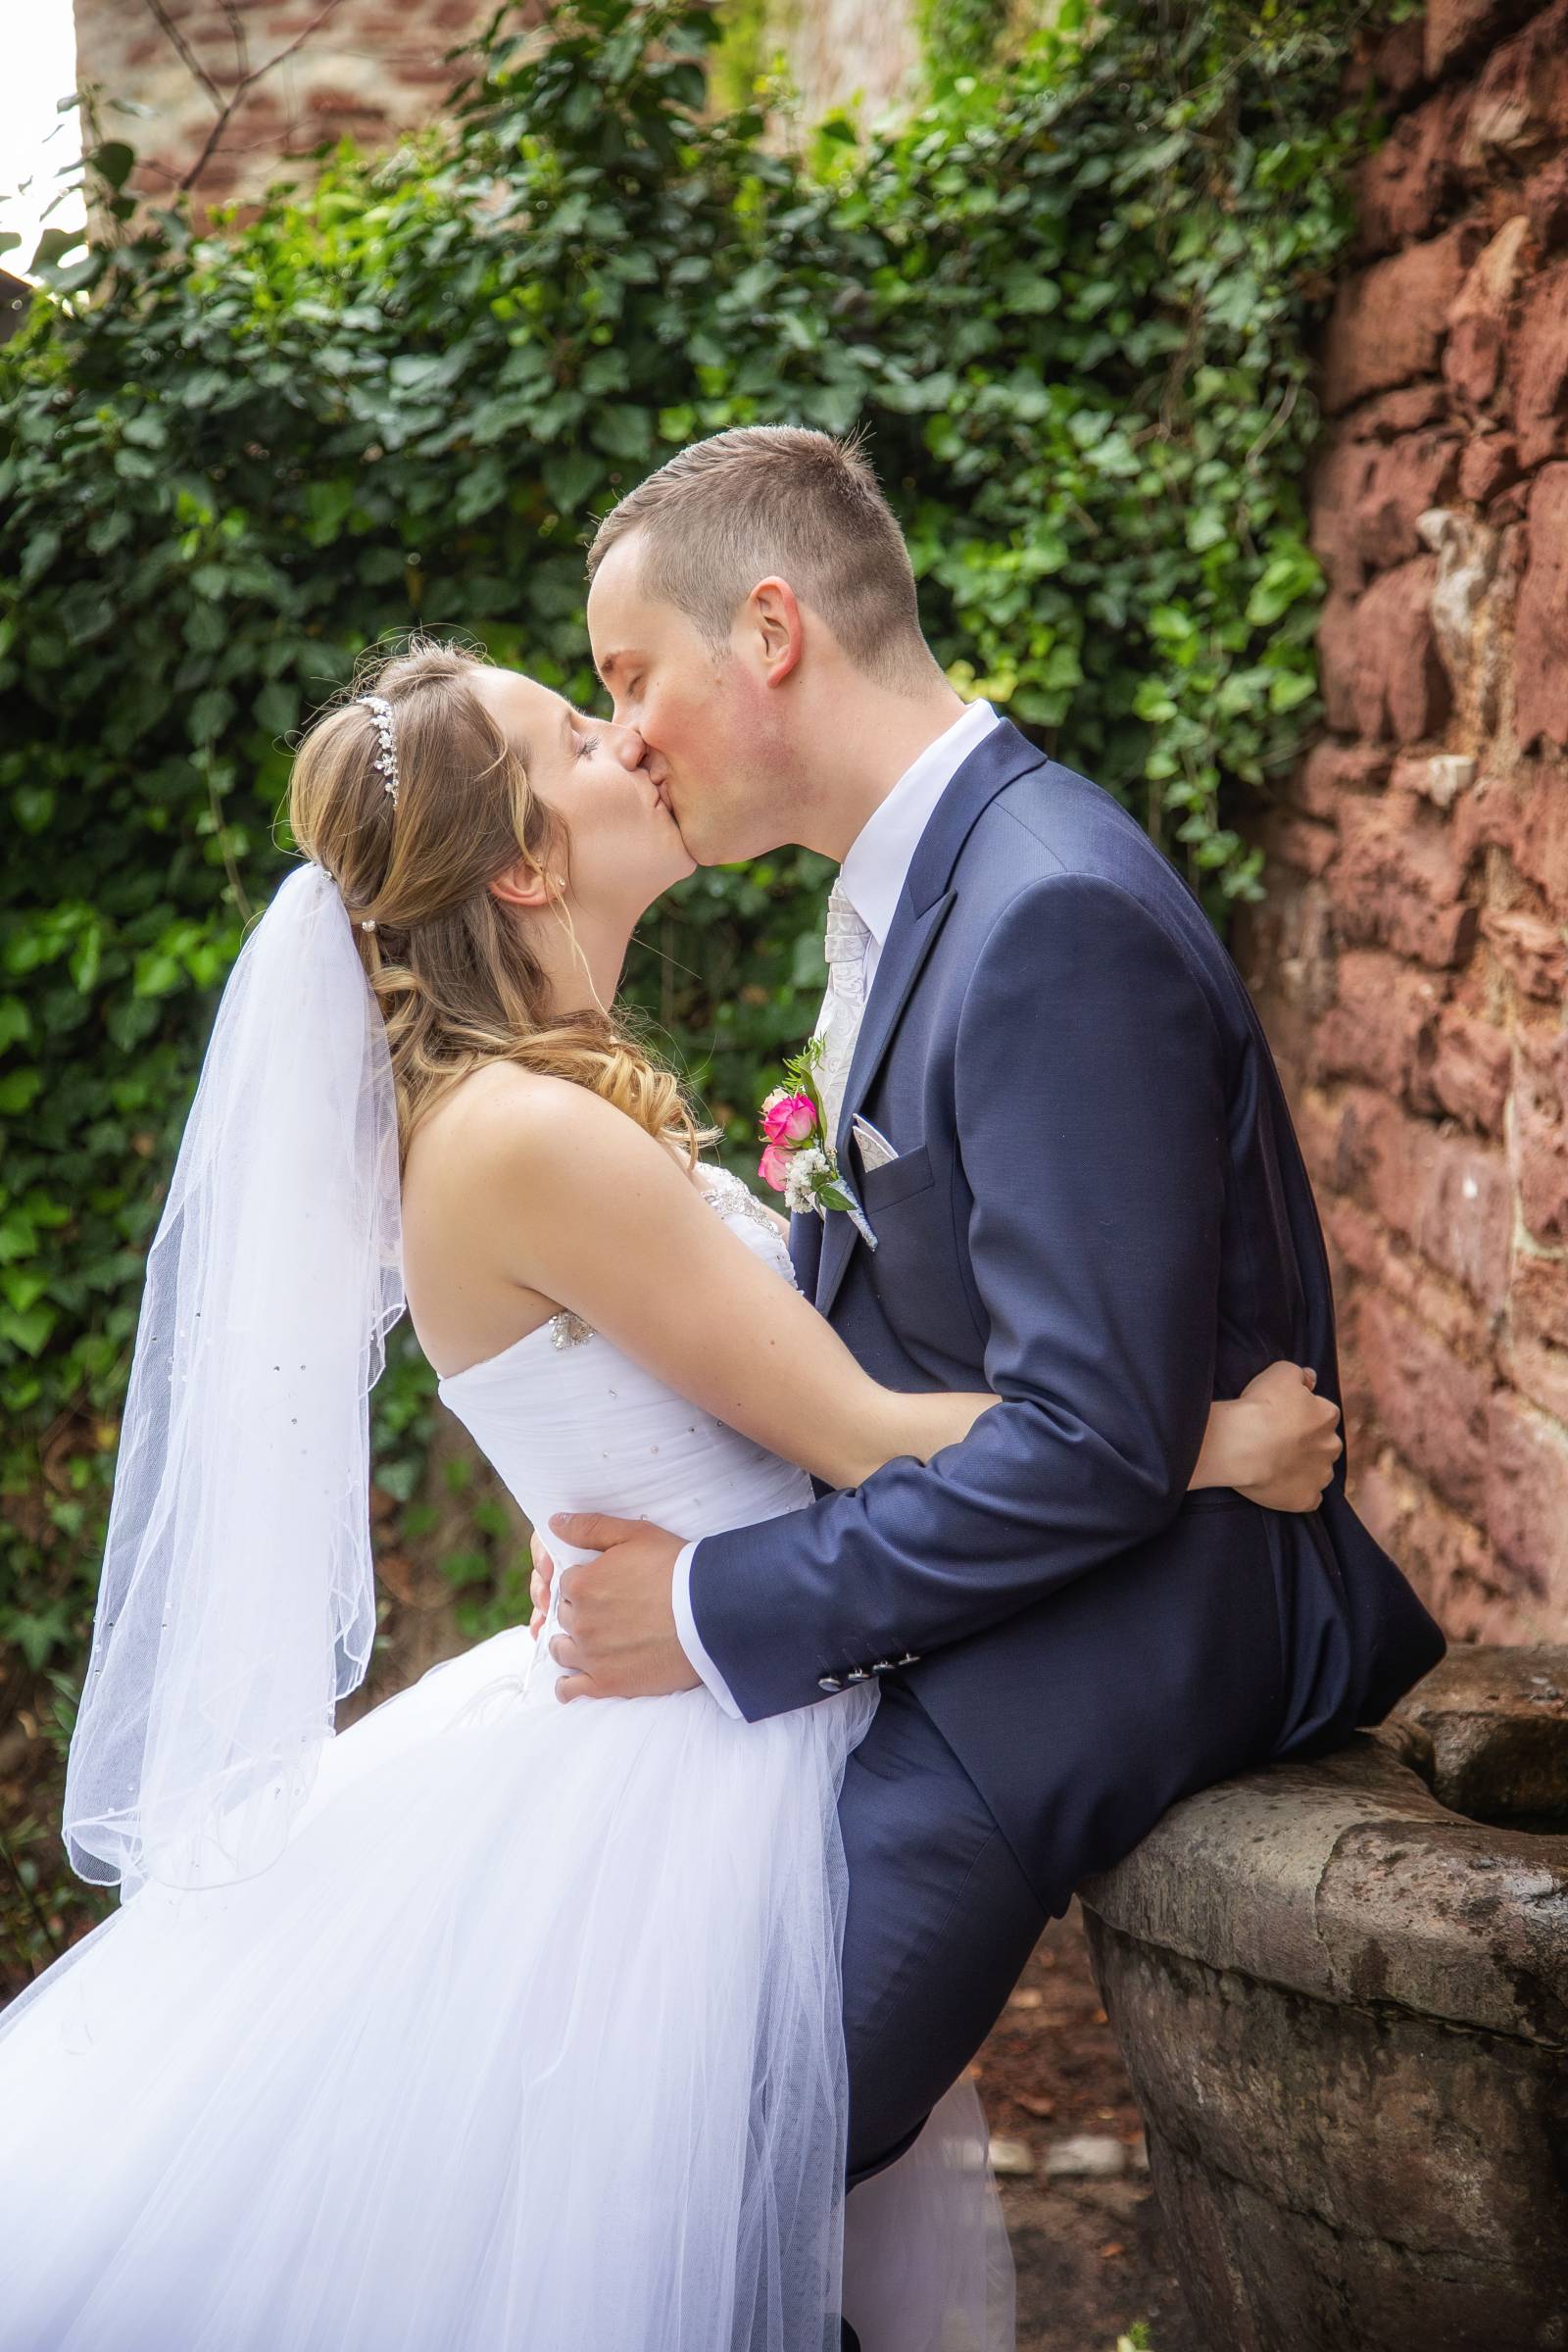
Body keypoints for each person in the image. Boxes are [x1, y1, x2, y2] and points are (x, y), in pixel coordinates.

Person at [0, 638, 1338, 2352]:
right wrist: (1207, 1440)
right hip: (693, 1768)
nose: (625, 733)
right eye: (576, 729)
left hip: (726, 1687)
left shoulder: (549, 1103)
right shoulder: (523, 1139)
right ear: (524, 861)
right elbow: (852, 1435)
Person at [528, 424, 1448, 2221]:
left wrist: (715, 1610)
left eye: (631, 678)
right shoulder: (921, 885)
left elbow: (1094, 1448)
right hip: (1030, 1549)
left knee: (731, 2119)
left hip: (1156, 1598)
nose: (623, 735)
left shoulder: (1049, 912)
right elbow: (913, 1321)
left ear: (770, 628)